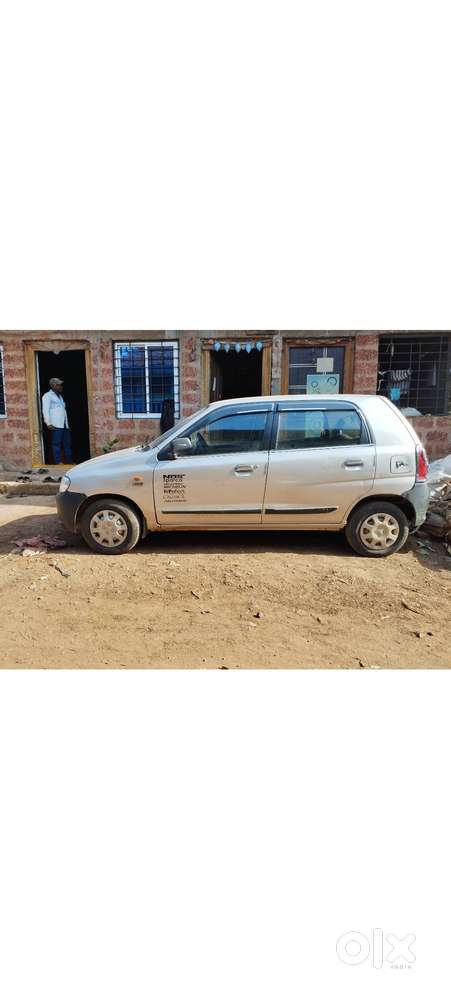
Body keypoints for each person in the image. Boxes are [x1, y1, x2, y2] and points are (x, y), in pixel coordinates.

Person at [42, 377, 73, 464]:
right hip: (56, 424)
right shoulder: (47, 396)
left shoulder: (60, 397)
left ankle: (69, 462)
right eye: (59, 385)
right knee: (56, 444)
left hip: (64, 425)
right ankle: (58, 462)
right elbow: (45, 410)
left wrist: (67, 424)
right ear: (54, 386)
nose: (61, 387)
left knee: (67, 444)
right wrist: (48, 423)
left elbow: (63, 411)